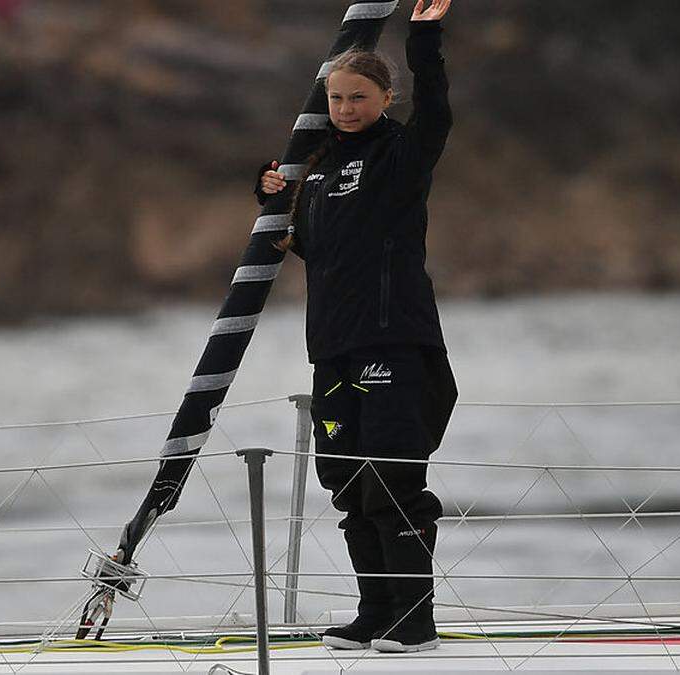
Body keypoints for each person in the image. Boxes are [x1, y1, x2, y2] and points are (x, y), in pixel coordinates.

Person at [255, 0, 456, 654]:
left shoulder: (399, 156)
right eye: (336, 97)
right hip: (334, 353)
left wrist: (424, 36)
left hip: (394, 346)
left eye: (359, 96)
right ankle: (375, 613)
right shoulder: (318, 175)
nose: (345, 107)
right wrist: (270, 198)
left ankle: (415, 621)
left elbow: (438, 117)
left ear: (384, 96)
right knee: (347, 486)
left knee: (392, 483)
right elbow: (319, 246)